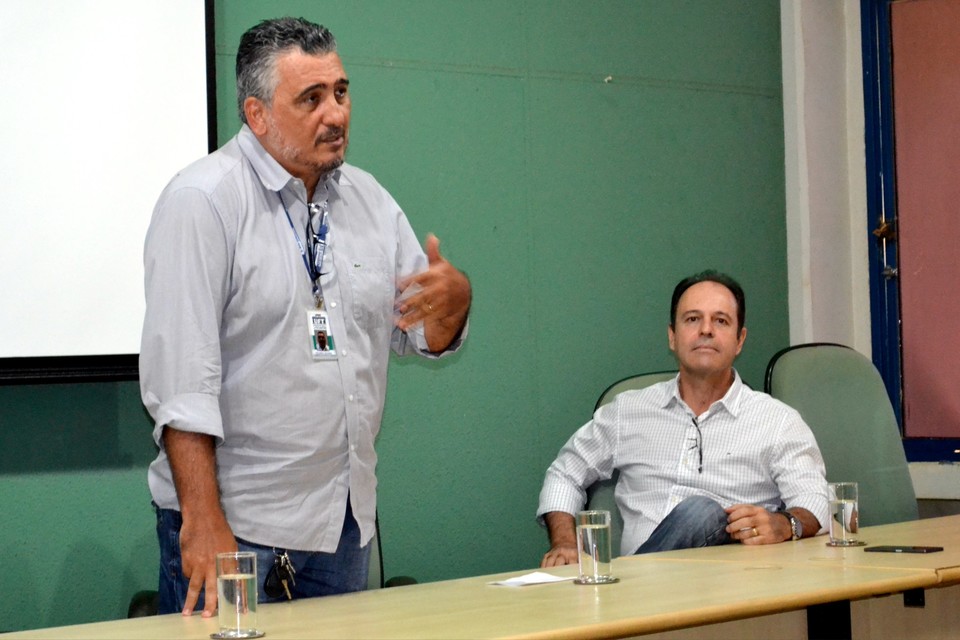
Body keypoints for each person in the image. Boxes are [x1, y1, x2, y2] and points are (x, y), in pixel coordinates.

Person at [140, 17, 472, 617]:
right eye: (312, 98)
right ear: (258, 113)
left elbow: (423, 335)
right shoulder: (204, 202)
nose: (336, 114)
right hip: (238, 526)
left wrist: (454, 305)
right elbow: (181, 385)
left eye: (341, 92)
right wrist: (203, 519)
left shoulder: (370, 201)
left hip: (343, 523)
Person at [537, 271, 827, 566]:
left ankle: (628, 598)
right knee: (697, 514)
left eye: (721, 321)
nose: (706, 330)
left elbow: (816, 501)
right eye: (692, 319)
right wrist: (565, 544)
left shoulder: (777, 422)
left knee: (702, 513)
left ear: (740, 340)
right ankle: (637, 596)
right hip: (648, 585)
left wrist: (784, 524)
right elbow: (564, 473)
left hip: (735, 587)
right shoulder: (628, 411)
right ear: (672, 337)